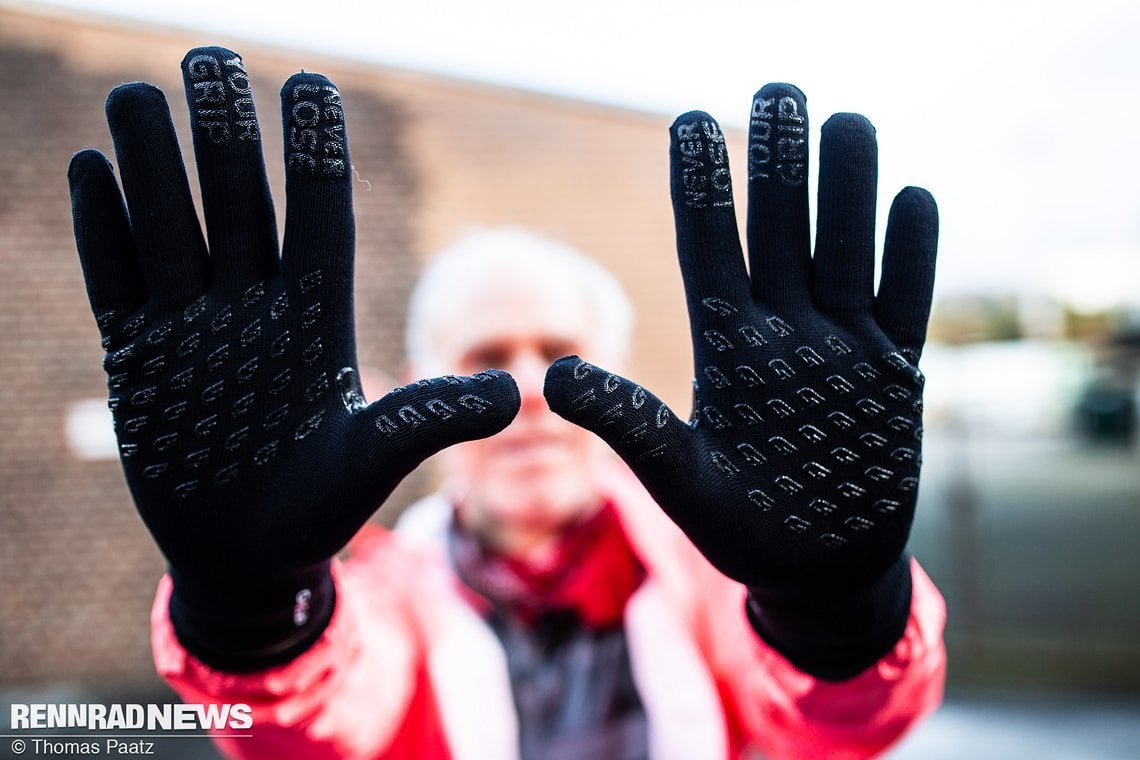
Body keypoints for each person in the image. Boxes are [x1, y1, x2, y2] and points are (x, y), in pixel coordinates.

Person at [68, 46, 946, 759]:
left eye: (565, 358)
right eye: (486, 360)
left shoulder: (712, 577)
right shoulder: (380, 596)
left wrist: (835, 614)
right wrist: (250, 609)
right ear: (418, 380)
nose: (530, 393)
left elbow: (843, 730)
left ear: (621, 371)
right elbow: (304, 728)